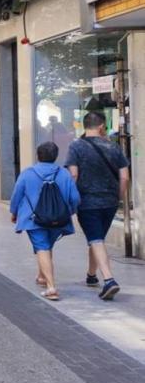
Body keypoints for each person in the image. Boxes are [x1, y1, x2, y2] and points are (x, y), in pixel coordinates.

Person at [65, 111, 130, 301]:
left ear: (84, 125)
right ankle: (91, 275)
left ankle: (109, 280)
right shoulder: (114, 147)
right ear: (101, 126)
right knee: (97, 238)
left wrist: (71, 199)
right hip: (110, 202)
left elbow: (73, 175)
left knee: (95, 239)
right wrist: (118, 196)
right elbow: (125, 177)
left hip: (87, 201)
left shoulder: (76, 147)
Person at [10, 142, 80, 300]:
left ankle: (51, 287)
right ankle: (42, 276)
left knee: (42, 247)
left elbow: (16, 195)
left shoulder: (27, 173)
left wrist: (14, 212)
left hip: (33, 219)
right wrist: (70, 211)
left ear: (37, 155)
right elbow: (75, 198)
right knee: (47, 247)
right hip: (58, 219)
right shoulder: (64, 174)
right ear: (55, 156)